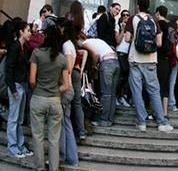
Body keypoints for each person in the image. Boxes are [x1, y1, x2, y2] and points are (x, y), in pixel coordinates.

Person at [124, 0, 173, 132]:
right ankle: (162, 123)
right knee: (155, 91)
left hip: (135, 60)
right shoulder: (153, 20)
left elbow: (127, 39)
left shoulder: (132, 19)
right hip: (151, 60)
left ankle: (141, 123)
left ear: (138, 6)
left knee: (137, 91)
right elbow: (159, 43)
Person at [29, 26, 70, 171]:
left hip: (39, 98)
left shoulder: (37, 53)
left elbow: (32, 80)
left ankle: (39, 167)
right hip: (55, 100)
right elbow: (66, 85)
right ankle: (54, 168)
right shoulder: (62, 59)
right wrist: (55, 90)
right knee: (54, 138)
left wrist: (41, 88)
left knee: (37, 136)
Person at [5, 20, 33, 158]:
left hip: (22, 84)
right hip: (16, 85)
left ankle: (20, 145)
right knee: (14, 118)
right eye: (28, 30)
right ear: (21, 31)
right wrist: (12, 88)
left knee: (19, 118)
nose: (30, 33)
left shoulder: (24, 47)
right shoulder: (15, 47)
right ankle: (13, 146)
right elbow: (8, 68)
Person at [81, 37, 119, 127]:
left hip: (106, 63)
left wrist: (94, 66)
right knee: (112, 94)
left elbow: (95, 54)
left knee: (106, 93)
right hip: (116, 62)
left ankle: (103, 120)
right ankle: (110, 119)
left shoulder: (85, 43)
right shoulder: (97, 40)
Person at [60, 21, 79, 166]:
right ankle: (72, 157)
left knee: (62, 124)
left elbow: (68, 68)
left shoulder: (66, 45)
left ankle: (63, 156)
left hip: (65, 88)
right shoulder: (71, 45)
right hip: (69, 88)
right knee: (66, 123)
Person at [155, 6, 172, 118]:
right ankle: (165, 112)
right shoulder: (170, 27)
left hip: (158, 58)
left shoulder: (158, 25)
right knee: (165, 85)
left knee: (156, 86)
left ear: (158, 13)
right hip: (167, 59)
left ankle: (156, 112)